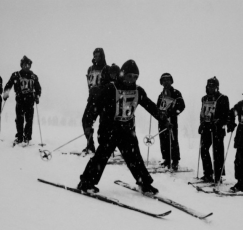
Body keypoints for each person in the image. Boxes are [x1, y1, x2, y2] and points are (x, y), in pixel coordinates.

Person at [78, 60, 169, 194]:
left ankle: (144, 183)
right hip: (109, 129)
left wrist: (164, 119)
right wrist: (88, 123)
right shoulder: (110, 88)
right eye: (129, 76)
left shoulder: (138, 91)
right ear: (122, 74)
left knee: (135, 157)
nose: (132, 79)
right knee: (101, 156)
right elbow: (95, 107)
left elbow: (150, 106)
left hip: (127, 130)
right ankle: (86, 183)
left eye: (135, 77)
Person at [3, 56, 41, 145]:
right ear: (21, 65)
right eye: (25, 64)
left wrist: (37, 95)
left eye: (28, 65)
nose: (26, 66)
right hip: (20, 100)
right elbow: (9, 84)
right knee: (19, 119)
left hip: (30, 101)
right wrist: (6, 93)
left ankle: (27, 137)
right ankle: (20, 137)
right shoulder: (16, 75)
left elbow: (38, 88)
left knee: (29, 120)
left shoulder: (33, 76)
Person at [198, 77, 230, 183]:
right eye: (209, 86)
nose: (211, 88)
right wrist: (201, 124)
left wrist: (218, 122)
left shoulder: (222, 98)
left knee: (218, 152)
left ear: (217, 87)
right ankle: (208, 173)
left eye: (213, 86)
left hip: (217, 129)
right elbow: (202, 113)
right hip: (206, 127)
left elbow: (225, 115)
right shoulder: (204, 98)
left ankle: (218, 175)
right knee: (204, 149)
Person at [81, 48, 111, 154]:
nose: (97, 58)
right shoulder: (90, 69)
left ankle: (105, 147)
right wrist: (91, 93)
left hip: (104, 100)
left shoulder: (107, 69)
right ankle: (90, 145)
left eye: (99, 56)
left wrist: (101, 90)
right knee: (86, 120)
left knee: (104, 125)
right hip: (92, 99)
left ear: (103, 56)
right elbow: (89, 83)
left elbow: (111, 85)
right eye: (95, 56)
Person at [157, 73, 185, 170]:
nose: (166, 82)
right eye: (164, 80)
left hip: (171, 120)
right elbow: (157, 107)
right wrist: (159, 115)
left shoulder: (176, 93)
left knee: (173, 140)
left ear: (171, 81)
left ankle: (175, 160)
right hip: (162, 121)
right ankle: (166, 159)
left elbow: (181, 106)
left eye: (168, 80)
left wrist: (172, 112)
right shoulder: (161, 94)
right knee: (163, 140)